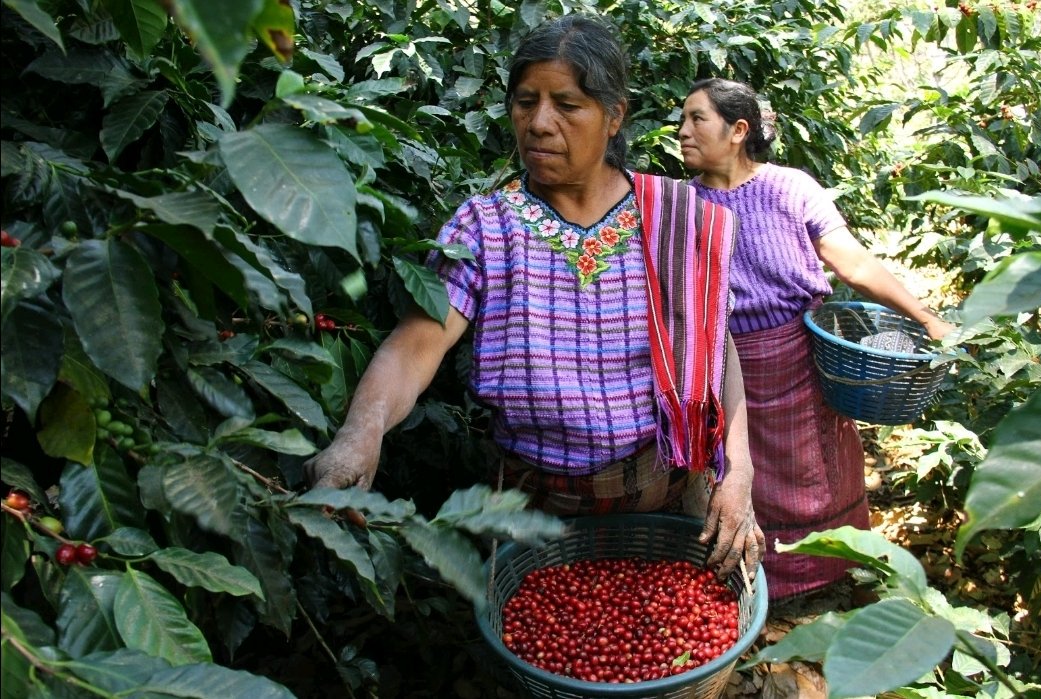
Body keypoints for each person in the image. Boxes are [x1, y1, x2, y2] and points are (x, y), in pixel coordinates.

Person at [304, 16, 765, 580]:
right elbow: (415, 347)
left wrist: (738, 470)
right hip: (536, 512)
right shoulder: (485, 227)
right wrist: (360, 433)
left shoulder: (678, 217)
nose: (540, 123)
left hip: (669, 501)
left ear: (614, 115)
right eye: (526, 103)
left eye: (567, 105)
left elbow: (716, 351)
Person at [676, 77, 955, 601]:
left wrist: (927, 318)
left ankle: (833, 572)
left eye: (697, 119)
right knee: (742, 476)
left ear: (738, 130)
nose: (683, 131)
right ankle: (759, 588)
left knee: (818, 469)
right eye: (682, 120)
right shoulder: (682, 206)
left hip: (800, 364)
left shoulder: (791, 188)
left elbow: (854, 264)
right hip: (727, 371)